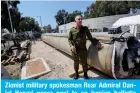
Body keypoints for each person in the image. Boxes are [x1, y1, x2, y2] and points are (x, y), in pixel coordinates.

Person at [68, 15, 103, 79]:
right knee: (76, 62)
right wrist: (71, 46)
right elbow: (69, 39)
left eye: (81, 19)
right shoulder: (72, 30)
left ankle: (85, 73)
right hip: (75, 49)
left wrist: (96, 43)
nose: (80, 20)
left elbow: (90, 38)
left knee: (84, 62)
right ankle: (76, 74)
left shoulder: (85, 29)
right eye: (79, 19)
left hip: (83, 49)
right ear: (75, 21)